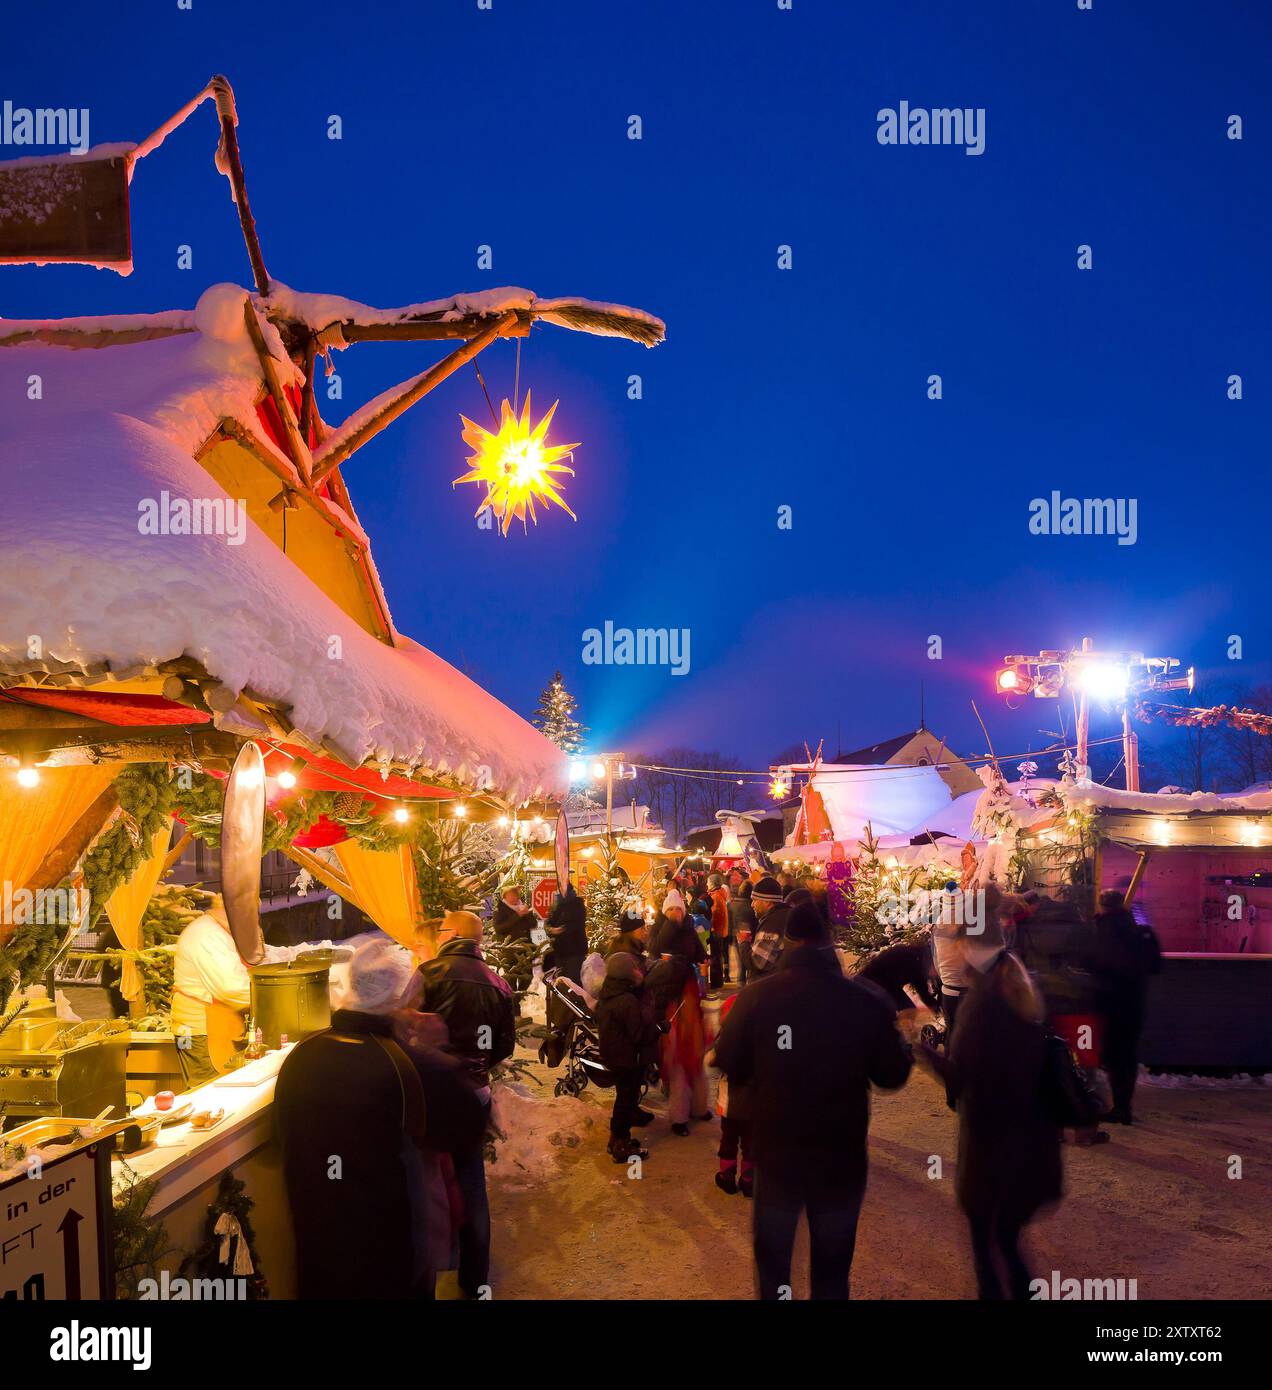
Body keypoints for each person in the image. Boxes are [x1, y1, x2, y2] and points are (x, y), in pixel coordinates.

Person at [715, 901, 912, 1300]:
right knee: (832, 1273)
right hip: (840, 1156)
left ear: (789, 942)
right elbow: (892, 1075)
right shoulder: (864, 1000)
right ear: (827, 941)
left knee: (774, 1271)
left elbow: (728, 1060)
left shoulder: (757, 998)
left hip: (776, 1154)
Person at [275, 939, 486, 1299]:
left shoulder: (302, 1056)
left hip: (318, 1248)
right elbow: (470, 1119)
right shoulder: (408, 1065)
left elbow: (282, 1138)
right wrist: (438, 1049)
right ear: (401, 1000)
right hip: (393, 1254)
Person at [921, 928, 1062, 1301]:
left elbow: (963, 1077)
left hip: (994, 1150)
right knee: (1005, 1240)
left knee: (990, 1249)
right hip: (1033, 1146)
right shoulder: (1020, 987)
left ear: (969, 950)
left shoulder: (982, 1005)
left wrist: (919, 1050)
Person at [416, 910, 516, 1299]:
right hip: (475, 1092)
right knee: (472, 1180)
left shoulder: (429, 973)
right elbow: (503, 1044)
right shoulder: (499, 984)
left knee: (429, 1177)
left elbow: (404, 1028)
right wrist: (475, 1068)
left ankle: (437, 1261)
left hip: (431, 1092)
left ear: (453, 933)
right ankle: (475, 1278)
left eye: (442, 928)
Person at [1086, 889, 1161, 1125]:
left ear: (1102, 906)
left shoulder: (1099, 931)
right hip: (1134, 1002)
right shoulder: (1141, 931)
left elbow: (1092, 963)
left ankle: (1117, 1108)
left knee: (1111, 1056)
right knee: (1126, 1056)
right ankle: (1123, 1106)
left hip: (1108, 1002)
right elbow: (1156, 966)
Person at [646, 889, 710, 1135]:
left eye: (679, 910)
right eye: (672, 909)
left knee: (693, 1051)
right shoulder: (662, 928)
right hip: (669, 996)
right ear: (666, 911)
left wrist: (703, 957)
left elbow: (696, 951)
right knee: (677, 1056)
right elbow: (656, 948)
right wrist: (671, 926)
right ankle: (679, 1115)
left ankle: (698, 1105)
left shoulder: (689, 928)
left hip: (688, 992)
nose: (676, 913)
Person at [171, 897, 251, 1087]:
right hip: (198, 1030)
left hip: (211, 1025)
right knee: (207, 1088)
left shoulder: (218, 931)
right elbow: (231, 987)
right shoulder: (207, 935)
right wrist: (268, 995)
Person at [594, 953, 659, 1162]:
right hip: (627, 1058)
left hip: (615, 1055)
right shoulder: (626, 1000)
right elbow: (638, 1034)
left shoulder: (610, 993)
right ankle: (621, 1145)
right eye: (634, 968)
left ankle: (616, 1139)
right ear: (626, 974)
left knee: (624, 1098)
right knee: (627, 1099)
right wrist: (659, 1027)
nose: (638, 971)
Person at [857, 934, 940, 1013]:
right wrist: (936, 1008)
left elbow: (924, 992)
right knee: (907, 1011)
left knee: (907, 1010)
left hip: (882, 981)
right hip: (872, 982)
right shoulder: (913, 963)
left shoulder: (919, 957)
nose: (936, 974)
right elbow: (923, 991)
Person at [748, 876, 791, 978]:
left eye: (755, 900)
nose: (752, 905)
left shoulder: (773, 923)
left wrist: (743, 944)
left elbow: (759, 962)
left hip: (771, 986)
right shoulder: (784, 915)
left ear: (767, 902)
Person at [545, 881, 588, 984]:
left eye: (563, 888)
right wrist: (551, 930)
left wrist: (559, 929)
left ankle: (573, 1000)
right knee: (561, 982)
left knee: (573, 982)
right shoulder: (556, 905)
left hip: (575, 951)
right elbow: (548, 923)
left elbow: (571, 924)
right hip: (559, 951)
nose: (560, 891)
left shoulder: (577, 904)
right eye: (559, 888)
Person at [728, 879, 758, 986]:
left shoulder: (733, 905)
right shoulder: (753, 906)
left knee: (741, 959)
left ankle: (741, 981)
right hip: (752, 935)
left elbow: (730, 921)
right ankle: (747, 981)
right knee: (750, 959)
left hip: (737, 934)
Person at [707, 872, 731, 989]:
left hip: (717, 930)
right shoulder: (718, 894)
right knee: (717, 956)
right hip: (719, 930)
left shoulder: (716, 896)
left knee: (716, 957)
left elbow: (714, 914)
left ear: (712, 883)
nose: (706, 884)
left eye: (708, 882)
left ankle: (716, 982)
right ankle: (717, 981)